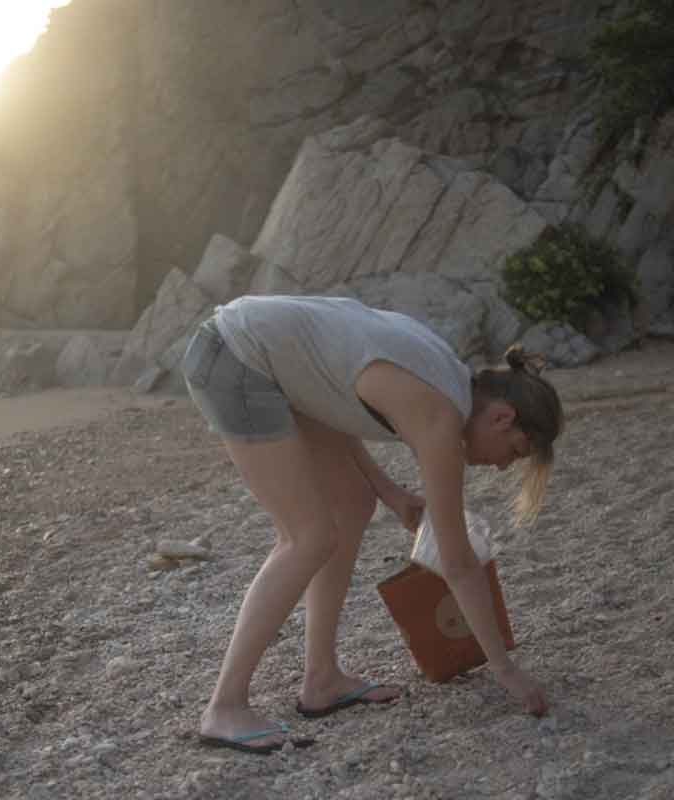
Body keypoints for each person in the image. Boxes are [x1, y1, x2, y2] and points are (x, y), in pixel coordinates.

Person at [181, 295, 564, 755]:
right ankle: (224, 707)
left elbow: (330, 397)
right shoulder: (441, 414)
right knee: (307, 536)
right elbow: (457, 562)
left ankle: (321, 680)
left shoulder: (448, 377)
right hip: (235, 357)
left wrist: (390, 493)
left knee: (352, 503)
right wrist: (506, 670)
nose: (504, 467)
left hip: (264, 359)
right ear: (503, 417)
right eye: (516, 452)